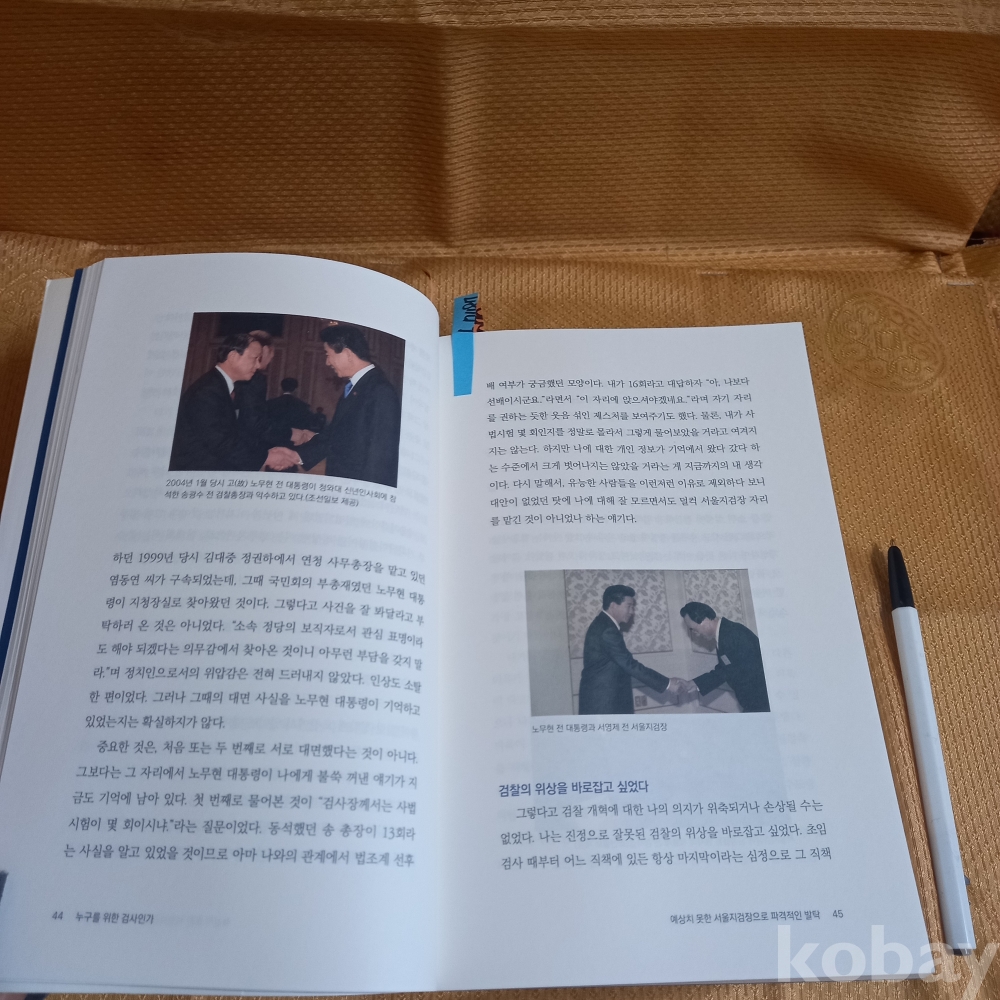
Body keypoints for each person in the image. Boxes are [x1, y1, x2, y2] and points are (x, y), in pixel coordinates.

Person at [264, 324, 401, 487]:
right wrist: (297, 455)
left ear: (347, 354)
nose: (327, 362)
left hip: (357, 490)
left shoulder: (379, 391)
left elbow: (380, 457)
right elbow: (334, 435)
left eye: (328, 355)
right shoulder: (356, 387)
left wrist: (367, 497)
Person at [578, 585, 686, 715]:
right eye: (629, 606)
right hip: (604, 703)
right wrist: (668, 684)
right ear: (613, 605)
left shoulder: (603, 623)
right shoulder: (608, 630)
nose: (632, 611)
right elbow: (629, 665)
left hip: (602, 699)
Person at [169, 331, 262, 471]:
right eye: (255, 358)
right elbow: (220, 442)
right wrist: (264, 458)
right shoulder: (207, 391)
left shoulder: (219, 386)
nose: (258, 365)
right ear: (233, 357)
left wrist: (263, 454)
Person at [677, 601, 770, 712]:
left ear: (704, 621)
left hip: (761, 702)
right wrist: (694, 683)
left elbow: (743, 674)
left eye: (694, 629)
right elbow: (726, 669)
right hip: (755, 702)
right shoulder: (725, 633)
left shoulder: (732, 634)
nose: (695, 634)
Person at [234, 329, 276, 469]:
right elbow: (253, 420)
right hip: (244, 449)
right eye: (272, 354)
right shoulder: (255, 378)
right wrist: (290, 434)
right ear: (265, 350)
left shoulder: (236, 375)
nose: (271, 359)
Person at [265, 377, 322, 446]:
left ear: (281, 388)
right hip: (294, 441)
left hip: (273, 440)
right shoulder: (302, 405)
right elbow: (306, 423)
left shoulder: (270, 403)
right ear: (296, 389)